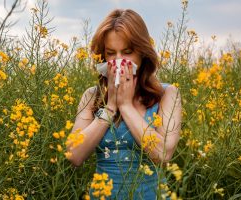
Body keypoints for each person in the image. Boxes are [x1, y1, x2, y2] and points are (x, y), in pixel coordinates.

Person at [66, 8, 182, 200]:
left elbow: (162, 155)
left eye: (127, 52)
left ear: (142, 54)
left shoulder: (167, 94)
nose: (119, 62)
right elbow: (74, 156)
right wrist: (110, 107)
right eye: (111, 53)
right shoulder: (91, 96)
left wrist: (126, 106)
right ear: (102, 57)